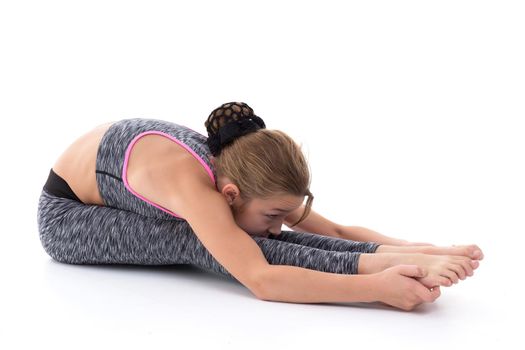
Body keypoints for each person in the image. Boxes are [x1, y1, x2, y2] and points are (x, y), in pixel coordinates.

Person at [37, 101, 484, 311]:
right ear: (230, 194)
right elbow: (261, 279)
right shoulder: (197, 189)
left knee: (245, 234)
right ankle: (371, 269)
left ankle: (383, 261)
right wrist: (378, 288)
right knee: (204, 241)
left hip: (123, 192)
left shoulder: (247, 172)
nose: (278, 226)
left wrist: (412, 248)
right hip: (68, 217)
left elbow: (336, 231)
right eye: (274, 215)